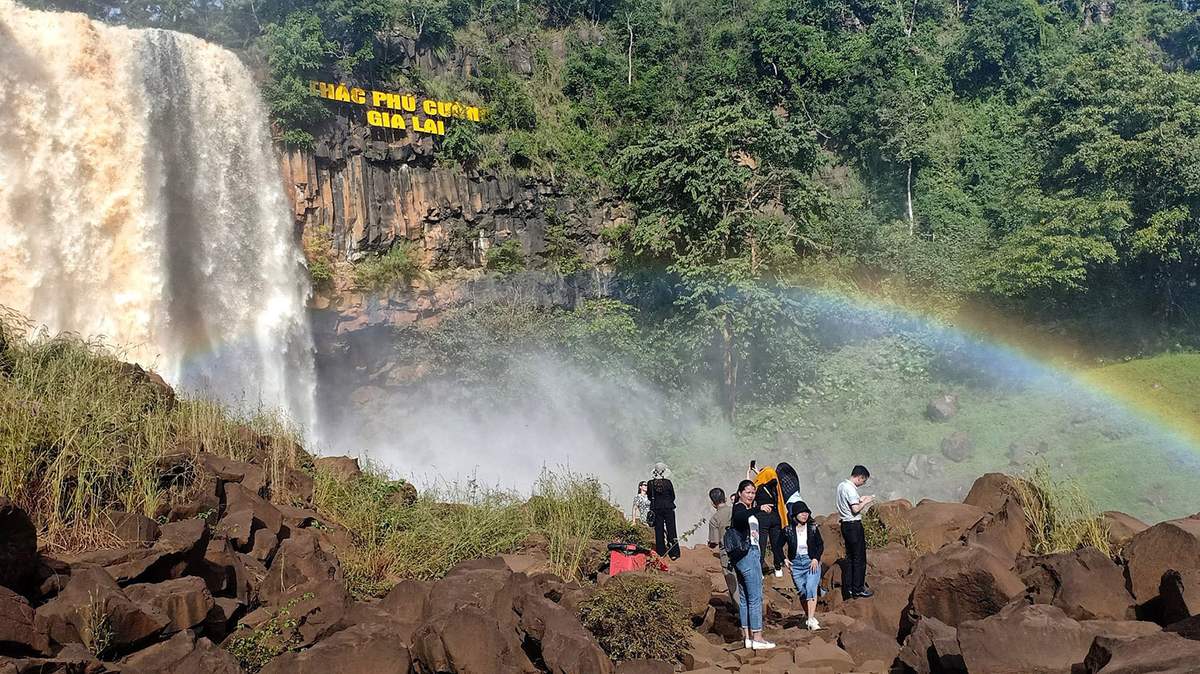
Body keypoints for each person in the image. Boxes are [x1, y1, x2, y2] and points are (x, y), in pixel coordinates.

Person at [731, 479, 775, 650]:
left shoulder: (746, 509)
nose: (751, 495)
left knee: (744, 598)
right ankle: (757, 636)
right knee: (755, 597)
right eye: (748, 492)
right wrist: (758, 508)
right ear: (740, 493)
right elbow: (739, 517)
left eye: (753, 493)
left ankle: (747, 637)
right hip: (748, 554)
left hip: (746, 555)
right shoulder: (740, 508)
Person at [784, 500, 824, 630]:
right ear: (795, 514)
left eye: (806, 512)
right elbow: (777, 545)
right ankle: (810, 618)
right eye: (802, 512)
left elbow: (820, 545)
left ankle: (811, 619)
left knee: (811, 587)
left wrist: (815, 559)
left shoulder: (813, 528)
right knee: (803, 592)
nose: (804, 515)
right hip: (796, 564)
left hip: (810, 562)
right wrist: (783, 559)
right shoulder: (788, 530)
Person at [837, 465, 876, 598]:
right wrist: (866, 501)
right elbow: (855, 509)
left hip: (845, 525)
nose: (862, 484)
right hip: (853, 525)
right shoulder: (851, 489)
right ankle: (858, 588)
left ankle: (849, 588)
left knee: (850, 557)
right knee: (859, 558)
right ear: (860, 477)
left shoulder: (842, 485)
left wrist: (860, 499)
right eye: (863, 481)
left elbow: (847, 504)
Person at [706, 487, 739, 611]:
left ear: (713, 503)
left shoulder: (714, 519)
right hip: (742, 550)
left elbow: (714, 542)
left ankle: (740, 612)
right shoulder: (736, 511)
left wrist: (710, 544)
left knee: (732, 581)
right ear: (725, 498)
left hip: (727, 553)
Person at [752, 465, 788, 577]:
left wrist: (750, 474)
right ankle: (778, 568)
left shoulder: (758, 489)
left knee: (761, 544)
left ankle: (760, 571)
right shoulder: (776, 487)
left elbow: (751, 487)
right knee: (776, 544)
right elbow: (767, 475)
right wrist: (757, 470)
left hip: (762, 517)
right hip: (775, 516)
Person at [647, 463, 679, 559]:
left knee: (659, 530)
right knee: (672, 529)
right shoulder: (668, 483)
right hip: (668, 507)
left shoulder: (650, 483)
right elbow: (673, 496)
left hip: (656, 508)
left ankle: (661, 552)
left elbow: (649, 496)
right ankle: (674, 553)